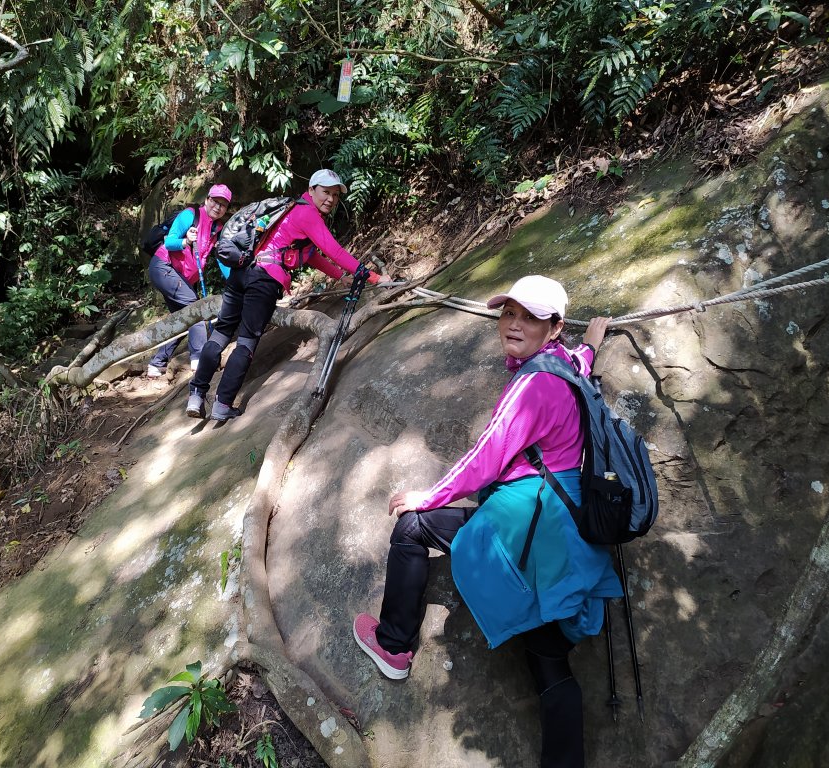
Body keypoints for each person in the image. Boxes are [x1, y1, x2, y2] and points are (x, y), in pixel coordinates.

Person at [353, 275, 622, 768]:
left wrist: (428, 496)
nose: (513, 324)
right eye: (509, 313)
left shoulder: (532, 386)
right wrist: (591, 344)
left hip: (528, 525)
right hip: (569, 531)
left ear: (554, 327)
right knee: (547, 658)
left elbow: (486, 456)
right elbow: (580, 362)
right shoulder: (564, 365)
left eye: (530, 318)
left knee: (412, 527)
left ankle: (393, 646)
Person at [185, 169, 391, 421]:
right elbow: (334, 251)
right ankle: (223, 404)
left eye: (336, 195)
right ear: (312, 189)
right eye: (326, 192)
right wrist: (374, 278)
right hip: (263, 279)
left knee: (221, 333)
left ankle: (196, 393)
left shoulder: (293, 209)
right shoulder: (307, 214)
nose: (331, 199)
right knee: (247, 340)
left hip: (242, 271)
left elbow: (310, 255)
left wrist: (340, 276)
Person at [146, 184, 232, 378]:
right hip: (164, 267)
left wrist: (234, 281)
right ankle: (200, 359)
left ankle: (157, 363)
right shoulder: (190, 215)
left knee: (182, 319)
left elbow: (221, 257)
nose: (218, 207)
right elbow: (170, 242)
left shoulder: (217, 228)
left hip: (182, 277)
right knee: (195, 309)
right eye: (215, 201)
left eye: (223, 205)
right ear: (207, 200)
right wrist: (186, 241)